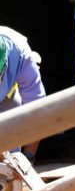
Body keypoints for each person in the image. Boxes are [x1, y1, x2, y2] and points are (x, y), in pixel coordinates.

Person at [0, 26, 46, 159]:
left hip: (8, 96)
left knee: (12, 147)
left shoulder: (22, 58)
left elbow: (37, 112)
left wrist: (27, 158)